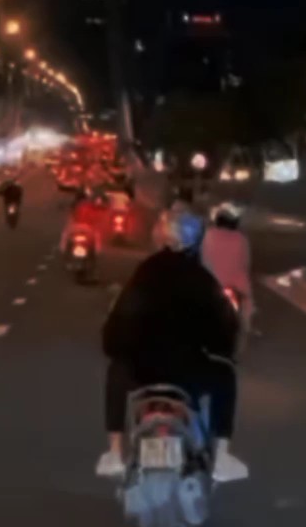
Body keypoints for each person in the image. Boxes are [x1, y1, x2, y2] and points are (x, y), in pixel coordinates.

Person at [96, 204, 249, 484]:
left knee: (116, 370)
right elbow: (225, 336)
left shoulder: (144, 272)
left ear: (162, 237)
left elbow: (115, 333)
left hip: (142, 373)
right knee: (226, 374)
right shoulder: (202, 279)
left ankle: (115, 452)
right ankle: (222, 456)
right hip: (189, 375)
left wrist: (123, 349)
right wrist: (222, 351)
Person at [202, 203, 254, 331]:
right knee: (246, 309)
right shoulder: (241, 239)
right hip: (237, 286)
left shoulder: (208, 236)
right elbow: (245, 263)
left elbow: (203, 260)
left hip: (213, 284)